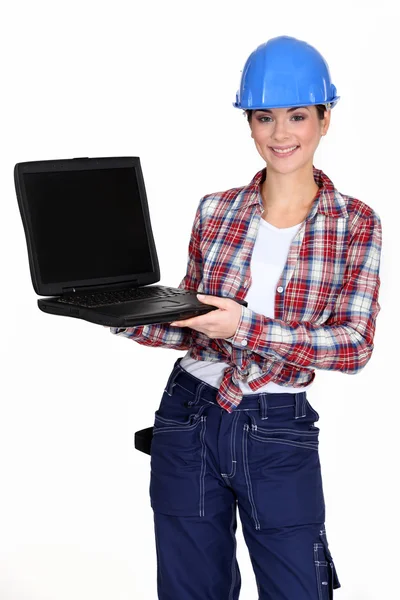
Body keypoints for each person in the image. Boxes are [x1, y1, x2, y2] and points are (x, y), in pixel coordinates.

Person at [110, 35, 382, 599]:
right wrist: (118, 309)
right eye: (265, 118)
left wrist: (245, 327)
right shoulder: (216, 209)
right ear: (249, 124)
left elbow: (354, 346)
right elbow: (189, 321)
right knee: (191, 592)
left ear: (325, 120)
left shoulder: (355, 222)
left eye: (298, 116)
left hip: (277, 430)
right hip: (187, 415)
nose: (281, 134)